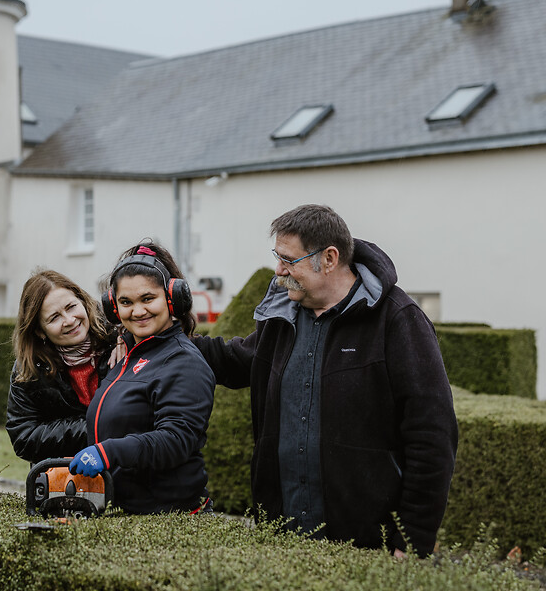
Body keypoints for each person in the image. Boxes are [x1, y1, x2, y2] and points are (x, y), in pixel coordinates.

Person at [193, 204, 457, 557]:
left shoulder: (398, 320)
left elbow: (432, 436)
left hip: (367, 545)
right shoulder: (281, 316)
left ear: (330, 259)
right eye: (277, 257)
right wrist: (162, 338)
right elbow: (234, 362)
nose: (279, 270)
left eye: (289, 260)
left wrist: (411, 540)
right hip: (281, 536)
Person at [69, 241, 216, 515]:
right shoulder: (125, 357)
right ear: (114, 307)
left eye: (148, 299)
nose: (137, 311)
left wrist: (108, 453)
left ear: (172, 299)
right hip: (125, 512)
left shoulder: (183, 361)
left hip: (169, 517)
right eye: (126, 302)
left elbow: (176, 440)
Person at [6, 268, 120, 464]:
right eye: (54, 317)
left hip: (127, 467)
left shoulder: (120, 341)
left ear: (82, 302)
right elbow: (23, 437)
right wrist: (93, 429)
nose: (69, 320)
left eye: (71, 307)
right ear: (40, 331)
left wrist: (125, 336)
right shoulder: (29, 370)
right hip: (67, 473)